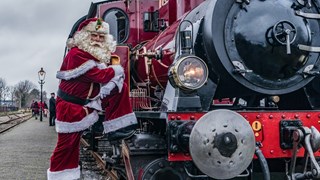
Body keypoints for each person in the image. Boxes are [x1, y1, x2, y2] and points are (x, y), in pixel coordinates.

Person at [47, 18, 137, 179]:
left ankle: (118, 127)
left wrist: (114, 77)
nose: (97, 39)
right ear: (84, 36)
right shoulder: (76, 54)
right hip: (70, 107)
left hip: (83, 104)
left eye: (101, 37)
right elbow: (98, 76)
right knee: (66, 146)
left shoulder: (92, 56)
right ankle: (58, 175)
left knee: (119, 87)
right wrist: (116, 70)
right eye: (94, 35)